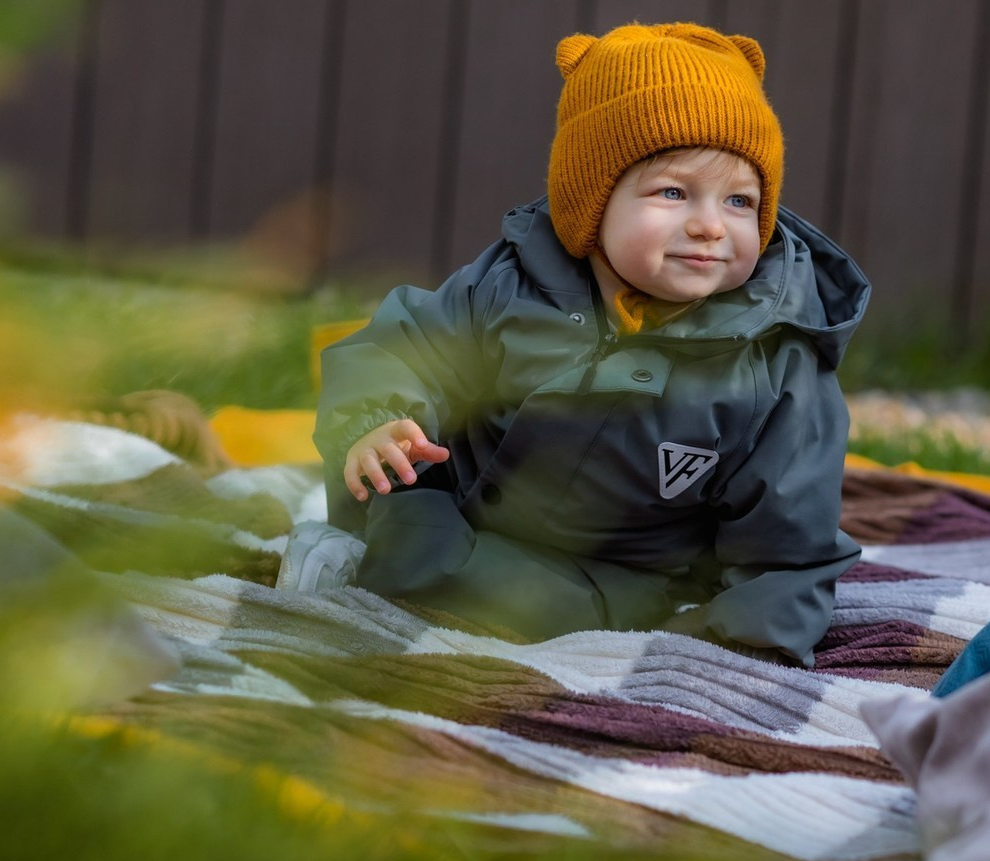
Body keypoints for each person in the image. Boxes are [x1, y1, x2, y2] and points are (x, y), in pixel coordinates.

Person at [280, 21, 869, 667]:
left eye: (739, 201)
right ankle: (352, 548)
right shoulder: (511, 283)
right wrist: (377, 420)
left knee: (542, 614)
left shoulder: (772, 361)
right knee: (395, 493)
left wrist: (751, 644)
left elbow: (793, 534)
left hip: (609, 568)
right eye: (673, 193)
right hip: (457, 497)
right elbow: (404, 346)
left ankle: (380, 577)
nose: (708, 225)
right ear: (592, 202)